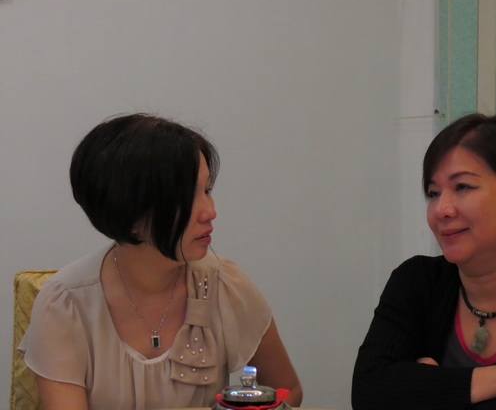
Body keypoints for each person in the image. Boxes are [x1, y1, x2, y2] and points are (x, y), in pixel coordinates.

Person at [19, 113, 303, 410]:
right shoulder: (66, 302)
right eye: (187, 197)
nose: (210, 211)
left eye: (207, 190)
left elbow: (288, 390)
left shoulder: (224, 283)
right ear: (128, 210)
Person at [352, 113, 496, 409]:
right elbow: (369, 393)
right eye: (433, 193)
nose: (441, 209)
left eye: (463, 187)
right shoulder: (417, 280)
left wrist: (428, 391)